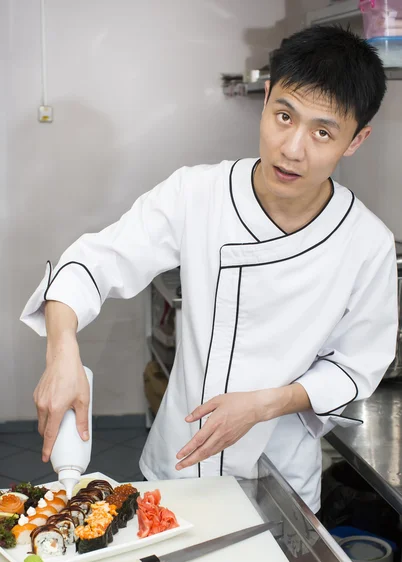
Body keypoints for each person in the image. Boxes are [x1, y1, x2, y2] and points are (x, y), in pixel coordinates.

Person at [21, 25, 398, 514]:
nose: (292, 147)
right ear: (265, 99)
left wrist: (266, 404)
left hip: (282, 481)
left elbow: (358, 364)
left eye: (322, 132)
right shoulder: (197, 194)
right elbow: (92, 263)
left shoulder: (366, 242)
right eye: (284, 116)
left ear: (356, 139)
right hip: (179, 468)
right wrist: (61, 351)